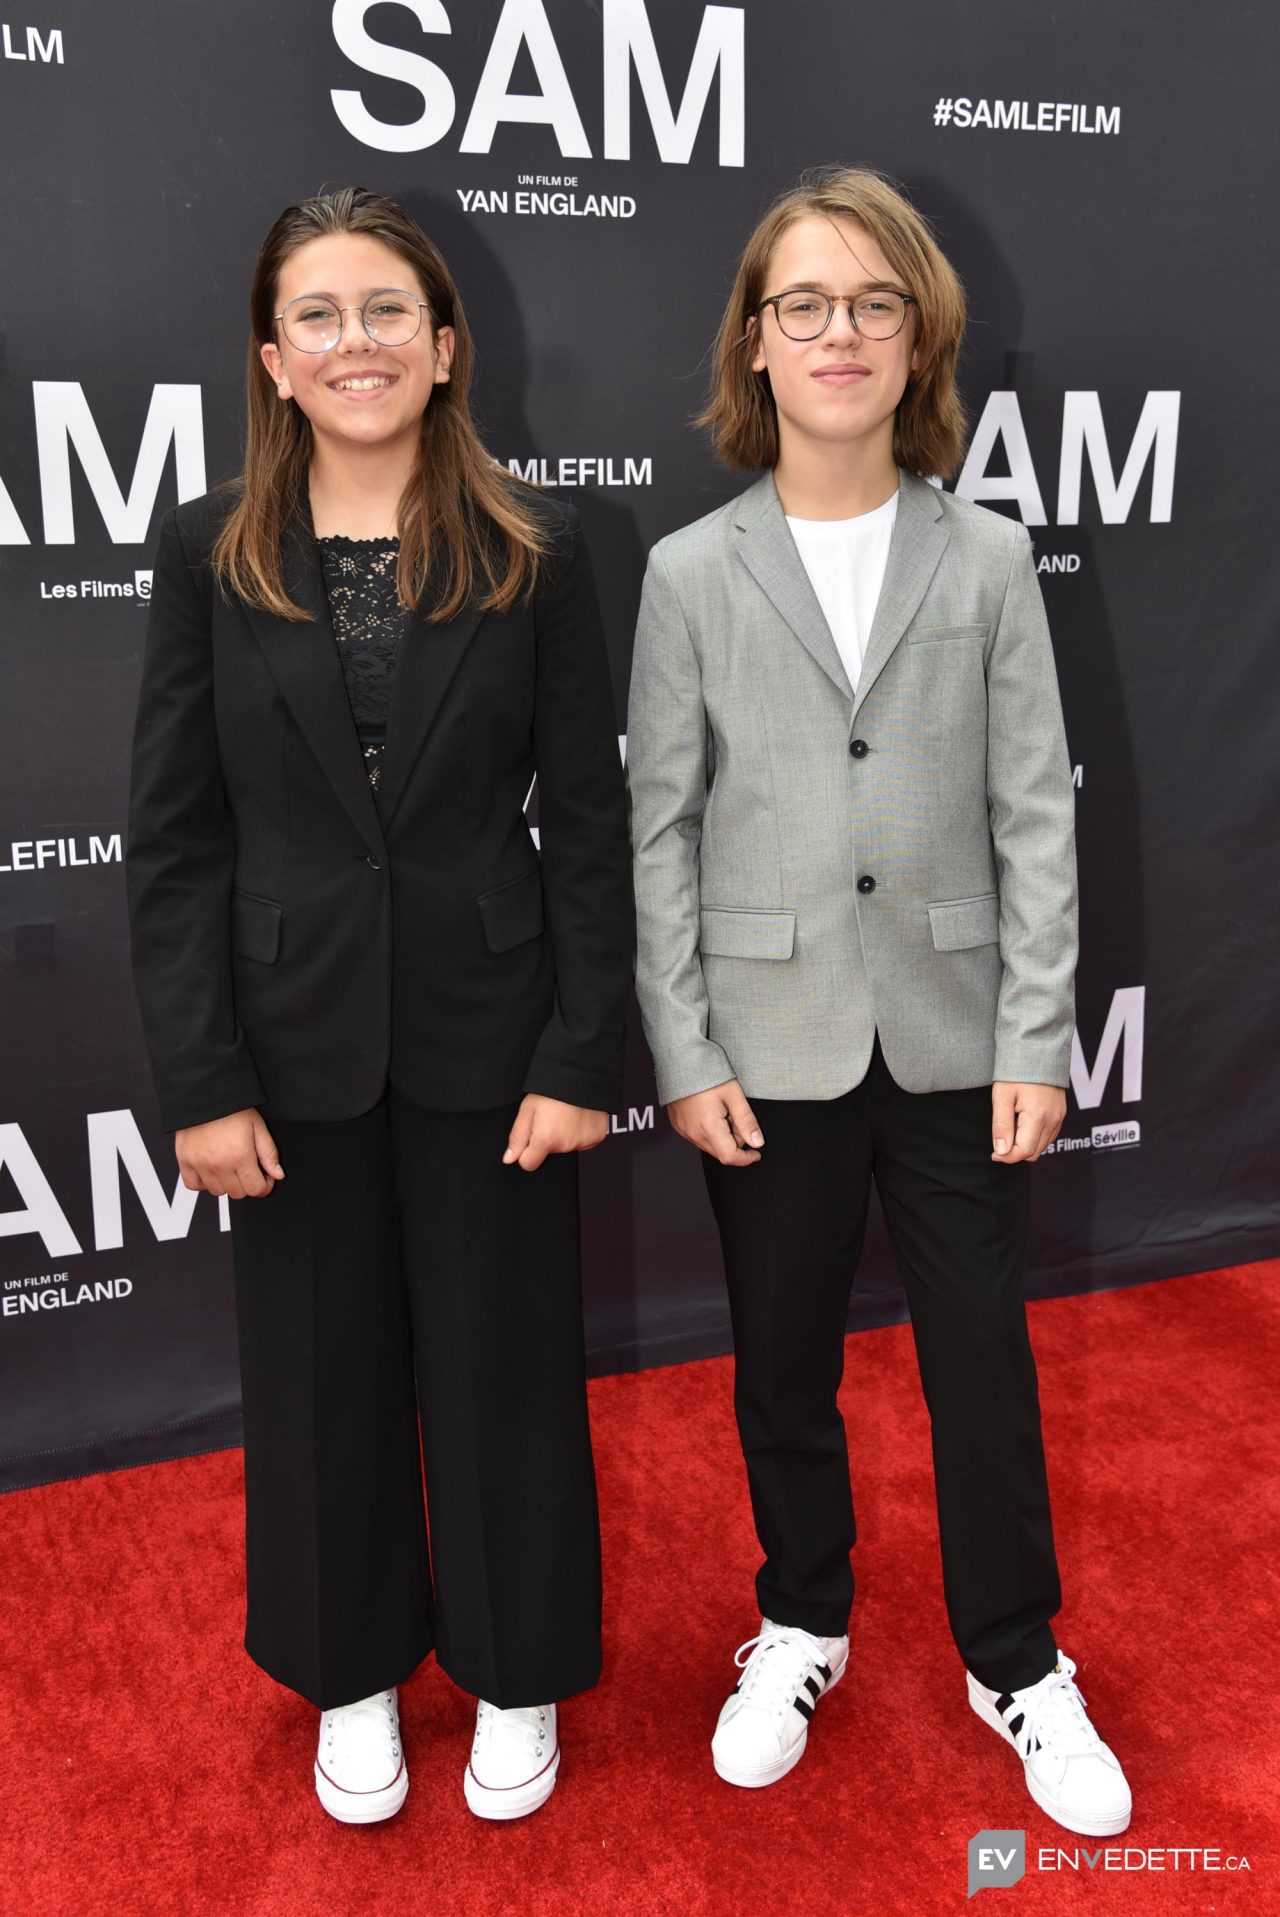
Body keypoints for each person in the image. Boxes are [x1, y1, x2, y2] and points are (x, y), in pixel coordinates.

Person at [626, 166, 1131, 1837]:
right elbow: (660, 829)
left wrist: (1035, 1034)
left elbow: (1035, 810)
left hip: (955, 1034)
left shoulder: (986, 556)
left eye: (873, 303)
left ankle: (1016, 1658)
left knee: (981, 1356)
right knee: (781, 1361)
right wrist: (684, 1046)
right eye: (805, 304)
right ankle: (802, 1619)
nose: (838, 331)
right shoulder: (690, 572)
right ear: (755, 343)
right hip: (765, 1047)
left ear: (918, 341)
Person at [127, 187, 632, 1826]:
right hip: (286, 1046)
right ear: (273, 358)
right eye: (320, 315)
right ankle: (351, 1672)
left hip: (497, 1039)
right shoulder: (207, 550)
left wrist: (582, 1051)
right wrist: (201, 1078)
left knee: (503, 1370)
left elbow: (591, 821)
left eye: (388, 310)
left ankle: (513, 1668)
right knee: (319, 1374)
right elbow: (176, 836)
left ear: (446, 343)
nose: (359, 341)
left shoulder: (538, 545)